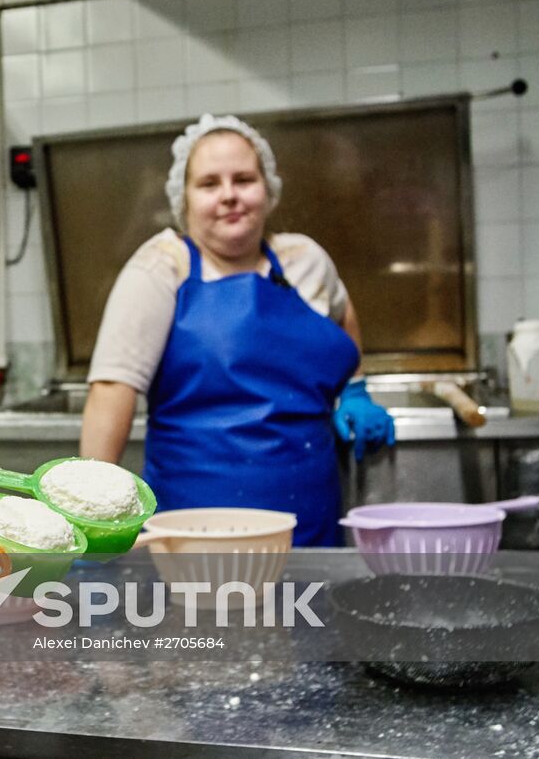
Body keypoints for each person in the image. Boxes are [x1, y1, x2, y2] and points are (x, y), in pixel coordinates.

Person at [79, 113, 394, 546]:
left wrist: (355, 389)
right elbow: (113, 388)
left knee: (308, 612)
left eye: (243, 179)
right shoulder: (163, 266)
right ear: (184, 198)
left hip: (309, 518)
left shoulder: (305, 259)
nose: (229, 195)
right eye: (209, 184)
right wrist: (89, 510)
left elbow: (343, 314)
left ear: (268, 189)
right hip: (196, 529)